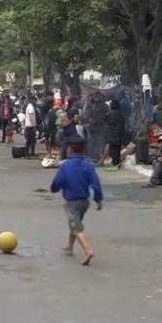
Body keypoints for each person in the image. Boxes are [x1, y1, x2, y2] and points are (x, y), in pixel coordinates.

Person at [50, 135, 103, 266]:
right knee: (74, 223)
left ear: (69, 149)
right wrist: (98, 199)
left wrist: (54, 188)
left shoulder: (66, 166)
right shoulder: (88, 166)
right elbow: (96, 184)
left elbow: (57, 182)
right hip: (84, 202)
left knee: (77, 227)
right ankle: (69, 246)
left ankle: (88, 251)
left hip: (72, 202)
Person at [86, 93, 108, 162]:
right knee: (94, 142)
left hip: (99, 126)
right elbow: (89, 115)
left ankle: (95, 157)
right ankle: (93, 156)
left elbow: (89, 115)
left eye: (97, 97)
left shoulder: (102, 106)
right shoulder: (94, 106)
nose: (96, 98)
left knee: (97, 142)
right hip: (95, 126)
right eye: (95, 97)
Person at [104, 99, 125, 166]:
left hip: (111, 136)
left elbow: (105, 123)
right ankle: (117, 163)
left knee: (113, 150)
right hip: (119, 136)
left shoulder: (108, 114)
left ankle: (115, 163)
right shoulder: (121, 114)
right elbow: (123, 125)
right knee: (117, 150)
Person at [24, 93, 38, 158]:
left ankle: (29, 153)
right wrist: (34, 126)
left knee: (29, 141)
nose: (35, 102)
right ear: (32, 100)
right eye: (34, 100)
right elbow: (31, 117)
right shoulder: (31, 107)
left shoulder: (29, 107)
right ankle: (29, 153)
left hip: (28, 126)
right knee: (31, 141)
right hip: (30, 126)